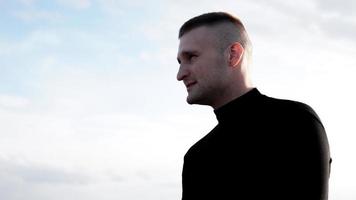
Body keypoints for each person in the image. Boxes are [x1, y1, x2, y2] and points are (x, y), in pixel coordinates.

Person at [176, 12, 331, 200]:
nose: (180, 74)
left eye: (191, 57)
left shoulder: (294, 122)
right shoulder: (196, 158)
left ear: (233, 55)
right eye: (180, 62)